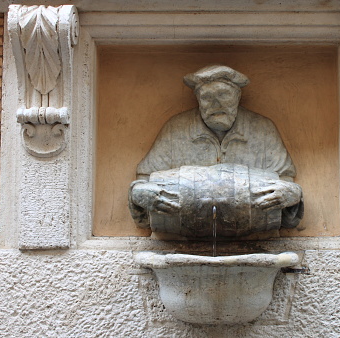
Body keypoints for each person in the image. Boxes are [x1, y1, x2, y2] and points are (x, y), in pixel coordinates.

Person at [129, 65, 303, 229]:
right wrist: (139, 193)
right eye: (206, 97)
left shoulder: (262, 129)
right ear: (198, 100)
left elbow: (285, 182)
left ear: (237, 97)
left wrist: (292, 194)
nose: (215, 104)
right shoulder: (176, 129)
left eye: (223, 95)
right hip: (183, 236)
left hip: (254, 235)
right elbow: (145, 181)